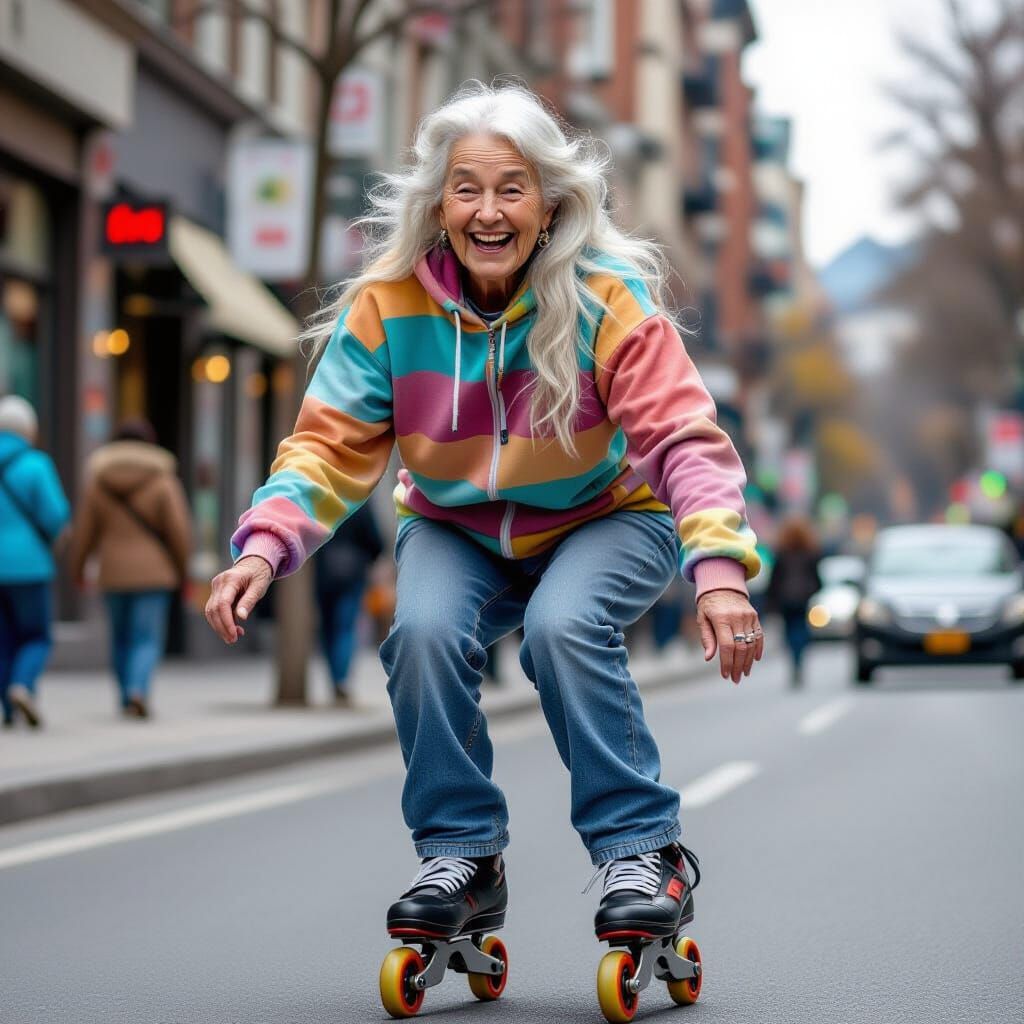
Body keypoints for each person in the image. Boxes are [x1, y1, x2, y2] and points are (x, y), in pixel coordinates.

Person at [206, 83, 763, 956]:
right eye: (467, 188)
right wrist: (264, 545)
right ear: (438, 204)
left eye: (512, 188)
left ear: (550, 204)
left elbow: (684, 438)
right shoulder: (389, 304)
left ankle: (643, 854)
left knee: (562, 625)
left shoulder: (606, 298)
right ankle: (464, 858)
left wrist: (719, 574)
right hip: (455, 523)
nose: (489, 211)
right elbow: (326, 444)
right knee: (421, 631)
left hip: (605, 514)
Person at [69, 418, 191, 719]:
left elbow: (84, 532)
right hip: (154, 572)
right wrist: (183, 568)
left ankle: (125, 694)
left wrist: (79, 568)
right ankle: (139, 689)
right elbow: (179, 531)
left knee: (120, 637)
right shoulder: (162, 479)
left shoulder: (98, 481)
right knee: (146, 637)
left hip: (112, 572)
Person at [0, 395, 70, 729]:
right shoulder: (35, 464)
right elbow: (56, 515)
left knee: (3, 638)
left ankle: (8, 708)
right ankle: (22, 685)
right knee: (36, 635)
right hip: (29, 567)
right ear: (29, 430)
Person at [314, 500, 383, 705]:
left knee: (328, 628)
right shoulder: (359, 499)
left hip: (323, 571)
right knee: (345, 626)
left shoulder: (321, 498)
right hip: (353, 572)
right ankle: (341, 679)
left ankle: (335, 678)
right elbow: (375, 540)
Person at [765, 515, 822, 686]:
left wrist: (771, 601)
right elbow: (817, 579)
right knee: (801, 630)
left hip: (785, 600)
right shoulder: (810, 553)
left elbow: (774, 580)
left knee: (789, 632)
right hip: (803, 599)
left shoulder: (781, 554)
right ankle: (799, 659)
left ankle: (794, 660)